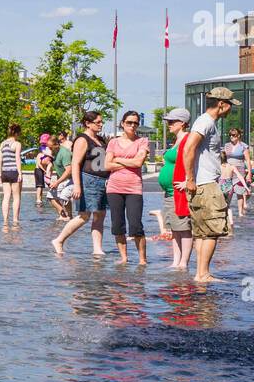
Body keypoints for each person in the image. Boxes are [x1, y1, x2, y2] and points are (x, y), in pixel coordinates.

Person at [182, 87, 239, 284]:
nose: (231, 109)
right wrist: (190, 178)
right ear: (221, 104)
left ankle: (200, 273)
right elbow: (189, 148)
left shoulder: (207, 123)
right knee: (212, 231)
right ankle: (203, 274)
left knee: (202, 231)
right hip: (206, 184)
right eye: (230, 105)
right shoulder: (205, 122)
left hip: (202, 183)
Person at [51, 110, 110, 257]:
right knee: (84, 215)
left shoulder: (100, 140)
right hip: (88, 180)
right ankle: (59, 240)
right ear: (87, 123)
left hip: (101, 181)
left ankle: (97, 248)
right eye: (98, 122)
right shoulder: (82, 140)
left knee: (100, 214)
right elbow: (75, 163)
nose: (101, 125)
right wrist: (77, 185)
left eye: (101, 122)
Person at [104, 110, 148, 264]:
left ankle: (142, 259)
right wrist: (128, 161)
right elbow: (107, 165)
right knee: (117, 225)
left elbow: (138, 163)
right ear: (122, 123)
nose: (132, 125)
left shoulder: (142, 141)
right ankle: (124, 258)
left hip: (134, 188)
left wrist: (118, 159)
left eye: (135, 122)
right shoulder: (113, 142)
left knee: (135, 225)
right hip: (114, 188)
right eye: (129, 122)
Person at [155, 108, 192, 269]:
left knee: (184, 227)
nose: (168, 125)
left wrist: (188, 181)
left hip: (180, 192)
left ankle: (183, 262)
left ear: (182, 123)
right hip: (170, 192)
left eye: (172, 122)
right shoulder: (176, 141)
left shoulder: (189, 139)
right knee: (175, 228)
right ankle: (176, 260)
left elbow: (195, 162)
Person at [0, 123, 23, 227]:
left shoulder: (2, 144)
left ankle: (5, 220)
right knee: (16, 197)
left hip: (4, 172)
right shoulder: (17, 144)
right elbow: (17, 159)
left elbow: (0, 159)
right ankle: (15, 220)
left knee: (6, 196)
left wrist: (0, 173)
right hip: (14, 171)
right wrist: (20, 173)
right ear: (17, 133)